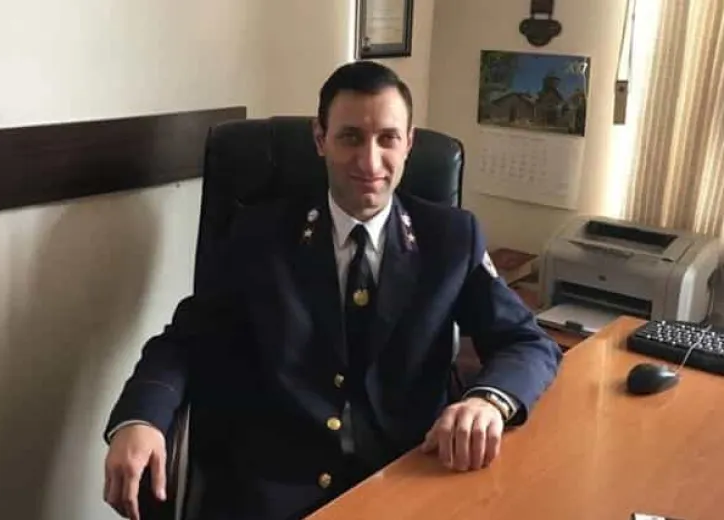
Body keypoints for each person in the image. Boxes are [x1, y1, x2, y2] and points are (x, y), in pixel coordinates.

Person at [102, 61, 562, 520]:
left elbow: (527, 342)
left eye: (387, 138)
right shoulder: (258, 235)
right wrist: (141, 418)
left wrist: (488, 400)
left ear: (409, 143)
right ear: (320, 139)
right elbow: (185, 341)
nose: (370, 161)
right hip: (275, 492)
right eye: (350, 138)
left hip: (404, 483)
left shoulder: (451, 238)